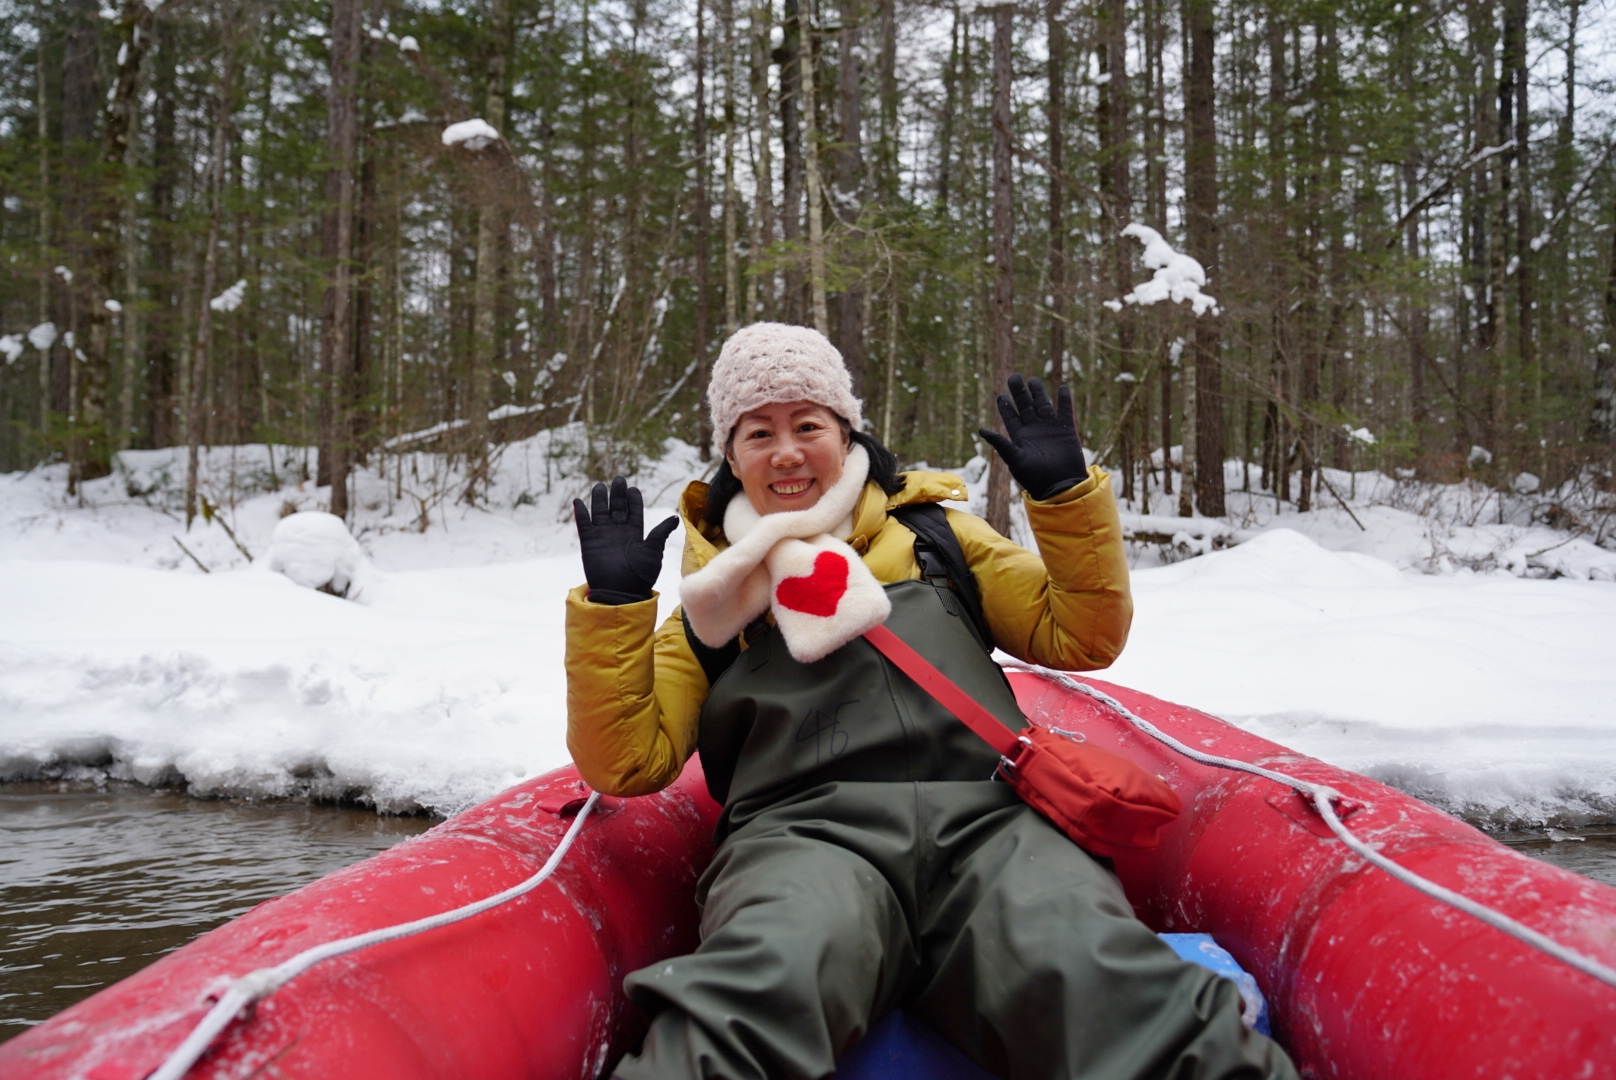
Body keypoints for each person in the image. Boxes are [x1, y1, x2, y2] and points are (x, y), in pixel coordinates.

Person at [565, 323, 1297, 1080]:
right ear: (731, 455)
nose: (785, 451)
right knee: (765, 979)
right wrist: (615, 607)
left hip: (995, 826)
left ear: (846, 433)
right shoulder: (715, 601)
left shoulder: (937, 537)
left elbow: (1080, 637)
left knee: (1093, 968)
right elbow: (627, 761)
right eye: (759, 432)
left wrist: (1063, 497)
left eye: (806, 425)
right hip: (803, 841)